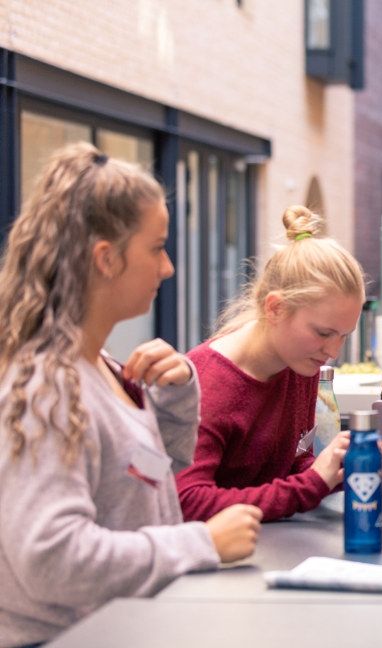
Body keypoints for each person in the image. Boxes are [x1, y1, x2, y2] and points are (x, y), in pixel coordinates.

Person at [0, 143, 262, 646]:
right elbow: (52, 559)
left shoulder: (101, 368)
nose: (167, 268)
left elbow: (143, 479)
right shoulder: (44, 387)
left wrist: (178, 395)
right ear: (106, 258)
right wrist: (202, 542)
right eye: (156, 247)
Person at [176, 206, 364, 522]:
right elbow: (189, 502)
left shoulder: (300, 363)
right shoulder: (205, 385)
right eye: (323, 333)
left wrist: (344, 468)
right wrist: (311, 484)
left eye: (344, 336)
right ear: (275, 308)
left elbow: (290, 467)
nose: (332, 350)